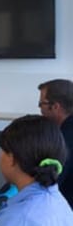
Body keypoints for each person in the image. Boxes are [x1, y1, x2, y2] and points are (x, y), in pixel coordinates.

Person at [38, 79, 73, 207]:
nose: (40, 109)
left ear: (56, 107)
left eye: (41, 104)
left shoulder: (64, 139)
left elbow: (49, 184)